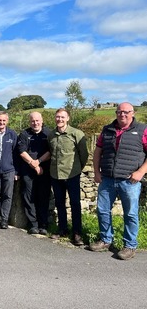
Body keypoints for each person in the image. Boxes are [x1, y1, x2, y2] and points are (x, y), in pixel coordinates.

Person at [89, 102, 147, 260]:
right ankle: (105, 239)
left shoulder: (142, 130)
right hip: (107, 179)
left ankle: (130, 245)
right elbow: (98, 152)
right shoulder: (107, 130)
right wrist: (96, 171)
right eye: (119, 112)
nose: (122, 115)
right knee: (102, 210)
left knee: (130, 214)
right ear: (116, 113)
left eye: (126, 112)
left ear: (133, 113)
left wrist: (141, 172)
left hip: (130, 181)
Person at [48, 108, 88, 246]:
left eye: (62, 117)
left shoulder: (76, 134)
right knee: (59, 203)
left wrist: (78, 169)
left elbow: (84, 155)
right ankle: (62, 229)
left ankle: (77, 233)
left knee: (75, 204)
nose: (60, 119)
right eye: (58, 117)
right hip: (55, 174)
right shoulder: (51, 135)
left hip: (72, 175)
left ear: (68, 118)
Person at [17, 112, 51, 235]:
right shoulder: (24, 134)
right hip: (27, 170)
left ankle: (43, 224)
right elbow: (21, 151)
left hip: (45, 170)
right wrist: (33, 163)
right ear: (29, 122)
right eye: (32, 121)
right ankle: (33, 224)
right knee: (28, 197)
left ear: (42, 120)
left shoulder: (48, 133)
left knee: (43, 197)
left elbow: (51, 151)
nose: (35, 123)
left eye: (37, 120)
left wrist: (39, 162)